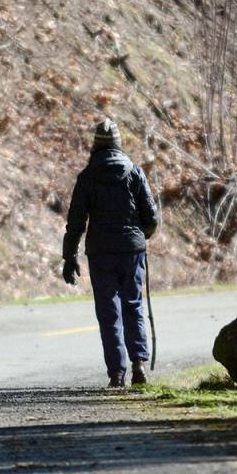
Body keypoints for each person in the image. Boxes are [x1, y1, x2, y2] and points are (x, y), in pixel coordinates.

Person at [62, 118, 158, 387]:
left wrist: (69, 256)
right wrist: (143, 235)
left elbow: (76, 222)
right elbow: (151, 217)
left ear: (95, 146)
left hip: (101, 253)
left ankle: (117, 373)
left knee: (108, 312)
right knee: (133, 305)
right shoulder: (134, 172)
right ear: (118, 144)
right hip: (131, 251)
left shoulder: (87, 177)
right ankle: (139, 364)